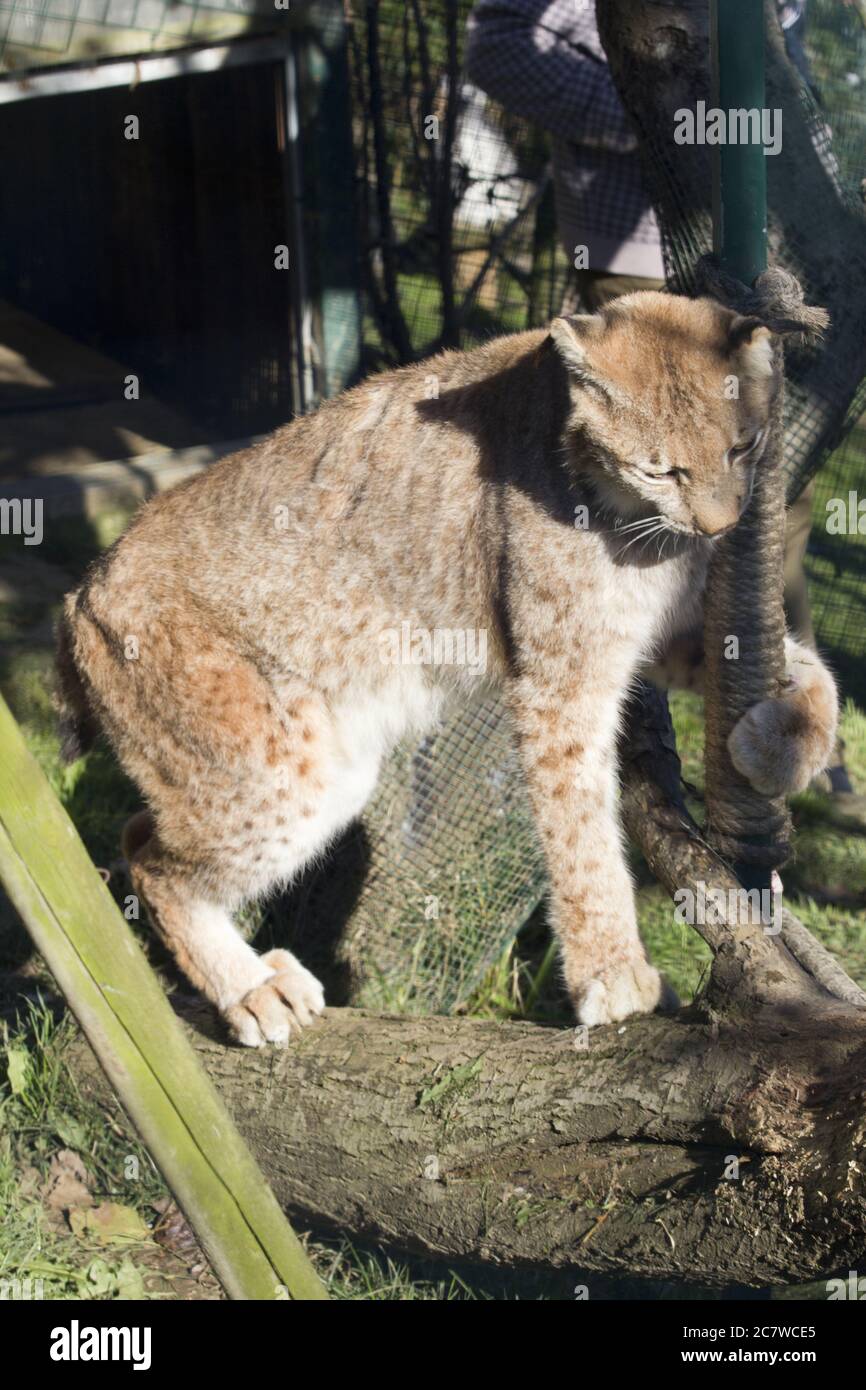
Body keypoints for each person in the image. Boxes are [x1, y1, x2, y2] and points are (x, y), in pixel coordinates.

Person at [466, 0, 858, 806]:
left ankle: (780, 735)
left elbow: (779, 41)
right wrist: (654, 115)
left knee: (767, 502)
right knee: (636, 526)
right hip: (635, 256)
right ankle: (645, 753)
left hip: (764, 242)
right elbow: (498, 51)